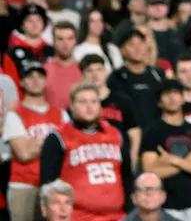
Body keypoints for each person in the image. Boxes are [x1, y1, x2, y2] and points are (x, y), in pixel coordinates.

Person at [39, 82, 127, 221]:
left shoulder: (116, 134)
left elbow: (127, 176)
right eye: (82, 102)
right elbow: (48, 185)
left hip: (117, 216)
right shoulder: (58, 137)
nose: (89, 106)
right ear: (72, 107)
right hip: (78, 217)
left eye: (94, 101)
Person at [141, 77, 191, 221]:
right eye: (167, 94)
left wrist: (173, 160)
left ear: (183, 98)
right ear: (159, 101)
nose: (172, 98)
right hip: (167, 207)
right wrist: (189, 162)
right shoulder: (151, 133)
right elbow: (149, 173)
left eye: (176, 93)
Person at [4, 62, 66, 221]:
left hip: (55, 185)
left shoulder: (61, 114)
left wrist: (35, 143)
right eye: (30, 77)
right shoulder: (14, 115)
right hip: (24, 186)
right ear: (22, 82)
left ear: (46, 80)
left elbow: (68, 149)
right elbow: (23, 153)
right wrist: (53, 146)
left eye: (40, 76)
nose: (36, 80)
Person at [81, 53, 142, 174]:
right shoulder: (79, 104)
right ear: (83, 75)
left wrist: (133, 161)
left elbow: (135, 134)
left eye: (99, 69)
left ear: (106, 72)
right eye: (89, 71)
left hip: (120, 161)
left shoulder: (123, 101)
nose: (95, 75)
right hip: (89, 163)